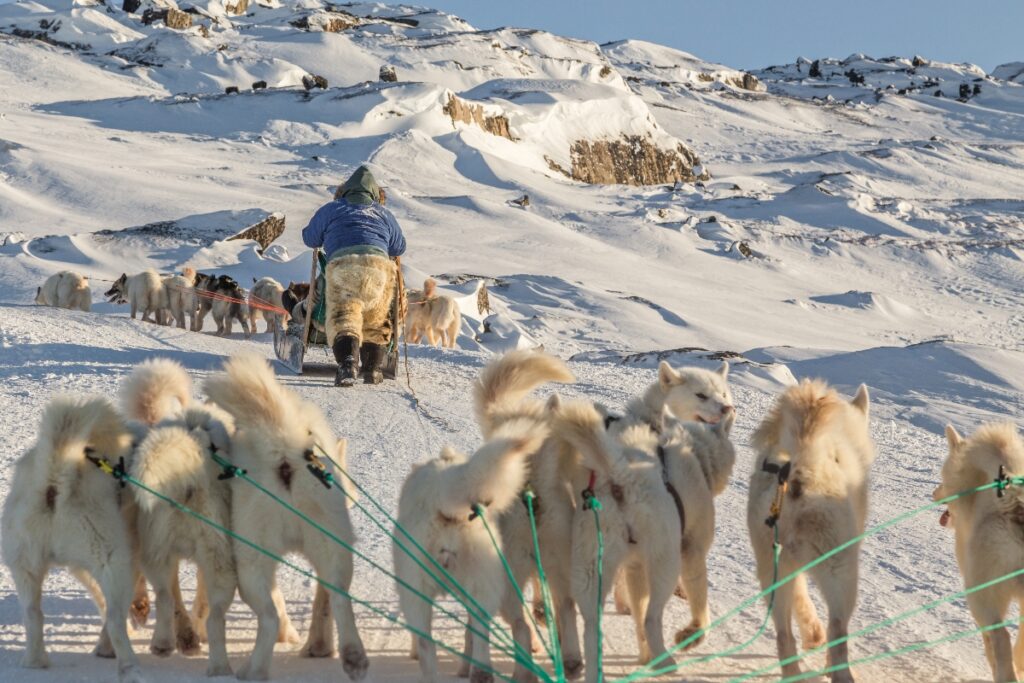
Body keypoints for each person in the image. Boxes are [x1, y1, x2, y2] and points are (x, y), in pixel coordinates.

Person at [301, 166, 407, 386]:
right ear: (374, 193)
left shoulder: (332, 209)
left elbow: (310, 239)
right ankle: (372, 369)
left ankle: (348, 365)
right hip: (379, 270)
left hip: (344, 266)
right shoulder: (383, 213)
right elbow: (399, 247)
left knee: (344, 319)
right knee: (375, 321)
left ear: (345, 191)